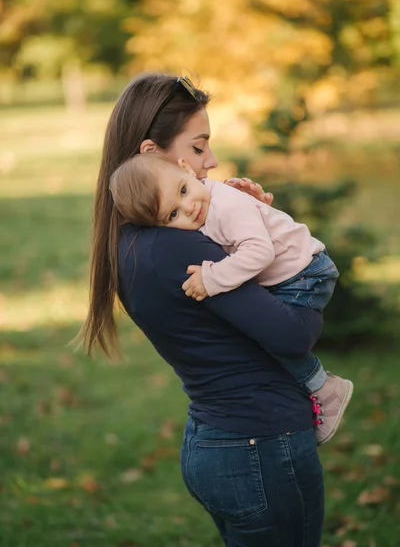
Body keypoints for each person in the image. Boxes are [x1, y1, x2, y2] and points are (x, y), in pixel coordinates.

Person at [80, 73, 326, 546]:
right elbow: (294, 335)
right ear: (152, 153)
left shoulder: (137, 241)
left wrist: (249, 222)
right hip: (258, 445)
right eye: (198, 147)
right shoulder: (177, 251)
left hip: (220, 440)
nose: (210, 160)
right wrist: (296, 263)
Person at [108, 152, 354, 446]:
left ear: (186, 168)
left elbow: (260, 253)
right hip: (288, 270)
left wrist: (212, 279)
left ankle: (325, 389)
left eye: (184, 190)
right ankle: (318, 389)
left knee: (270, 335)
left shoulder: (226, 204)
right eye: (172, 215)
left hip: (303, 272)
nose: (189, 208)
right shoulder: (206, 207)